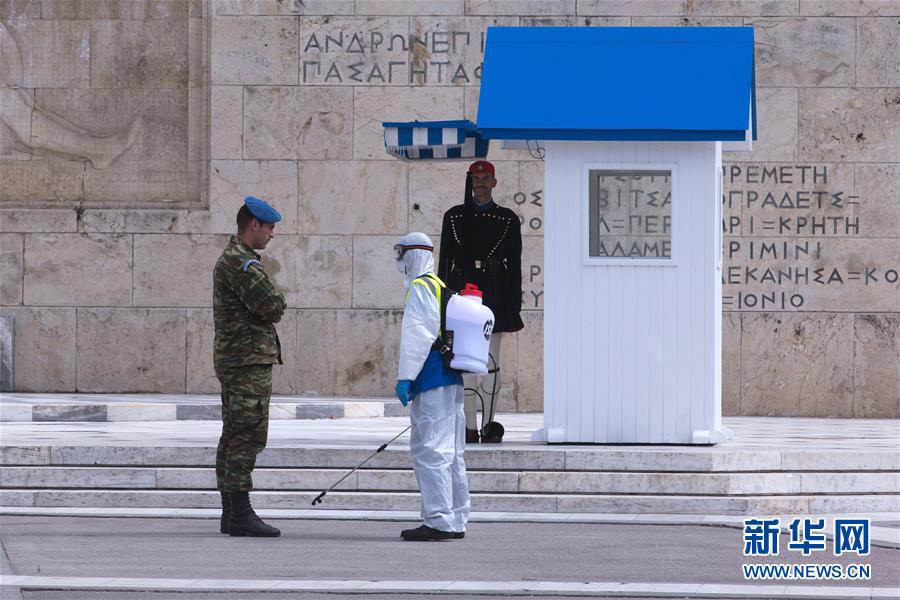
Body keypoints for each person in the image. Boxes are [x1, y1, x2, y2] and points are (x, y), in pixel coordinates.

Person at [213, 196, 286, 537]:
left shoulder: (236, 260)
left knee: (234, 434)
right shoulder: (241, 264)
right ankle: (240, 513)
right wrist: (278, 298)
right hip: (246, 361)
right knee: (246, 434)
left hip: (238, 359)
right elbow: (272, 306)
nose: (272, 233)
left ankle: (232, 512)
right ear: (253, 225)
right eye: (269, 227)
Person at [438, 160, 524, 444]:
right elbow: (445, 261)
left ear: (495, 183)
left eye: (486, 179)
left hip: (496, 290)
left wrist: (515, 302)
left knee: (491, 361)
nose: (481, 185)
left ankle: (489, 423)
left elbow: (516, 263)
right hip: (462, 288)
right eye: (476, 180)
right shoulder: (454, 217)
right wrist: (441, 301)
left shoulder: (507, 219)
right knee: (464, 362)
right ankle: (469, 426)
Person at [394, 232, 470, 541]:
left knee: (430, 449)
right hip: (450, 378)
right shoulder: (440, 285)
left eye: (401, 254)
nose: (399, 261)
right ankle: (456, 517)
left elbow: (416, 336)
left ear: (412, 254)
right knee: (452, 451)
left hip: (432, 379)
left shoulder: (419, 287)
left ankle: (438, 520)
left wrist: (405, 378)